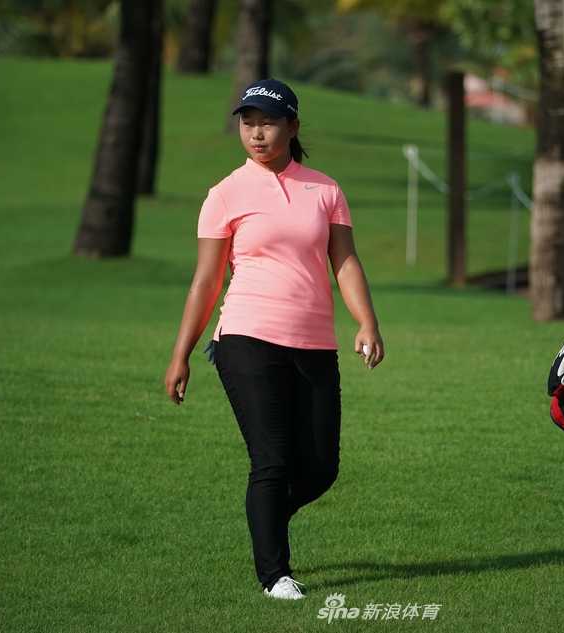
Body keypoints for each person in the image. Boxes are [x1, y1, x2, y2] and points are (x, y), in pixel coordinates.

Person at [164, 79, 385, 600]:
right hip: (246, 336)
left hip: (313, 342)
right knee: (272, 459)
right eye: (247, 123)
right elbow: (206, 281)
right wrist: (180, 355)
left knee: (322, 466)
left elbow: (345, 261)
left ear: (292, 126)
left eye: (266, 122)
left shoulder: (324, 190)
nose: (256, 133)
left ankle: (263, 519)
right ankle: (275, 575)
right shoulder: (224, 194)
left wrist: (367, 322)